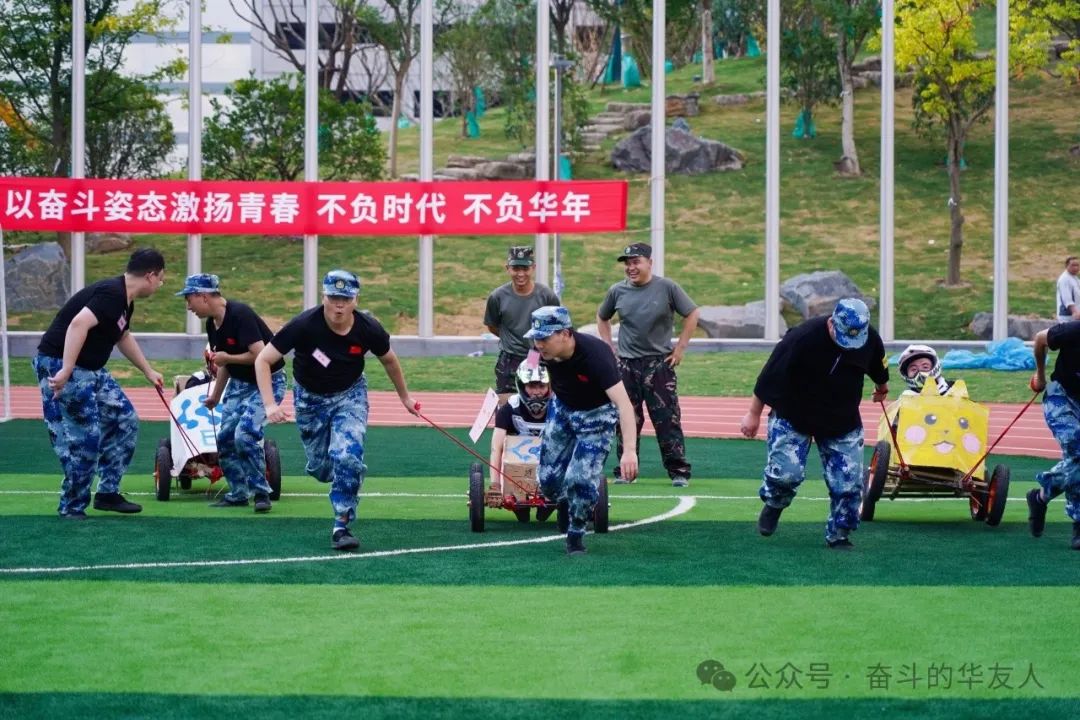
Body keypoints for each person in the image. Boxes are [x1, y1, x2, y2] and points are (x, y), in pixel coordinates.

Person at [255, 269, 419, 551]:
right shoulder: (304, 325)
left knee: (347, 456)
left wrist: (405, 398)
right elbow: (263, 360)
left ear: (356, 299)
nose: (339, 305)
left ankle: (341, 525)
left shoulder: (368, 328)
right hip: (310, 399)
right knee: (321, 468)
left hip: (350, 395)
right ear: (324, 297)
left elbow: (390, 360)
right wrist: (270, 404)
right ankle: (335, 470)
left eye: (345, 298)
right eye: (333, 298)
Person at [739, 298, 889, 549]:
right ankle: (775, 502)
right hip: (793, 414)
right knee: (786, 474)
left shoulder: (869, 339)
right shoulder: (802, 338)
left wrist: (882, 388)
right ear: (832, 323)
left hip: (841, 419)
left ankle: (840, 533)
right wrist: (753, 414)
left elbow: (878, 367)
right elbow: (769, 377)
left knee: (849, 485)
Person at [32, 248, 167, 519]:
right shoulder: (112, 294)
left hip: (90, 369)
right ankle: (72, 506)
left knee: (124, 418)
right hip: (63, 364)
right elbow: (78, 325)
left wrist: (148, 371)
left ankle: (107, 493)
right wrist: (67, 369)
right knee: (85, 438)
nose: (161, 284)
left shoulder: (124, 300)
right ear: (150, 276)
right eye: (161, 278)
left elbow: (122, 336)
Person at [526, 305, 639, 555]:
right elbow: (528, 367)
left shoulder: (596, 357)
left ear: (565, 334)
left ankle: (575, 533)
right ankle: (562, 500)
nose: (539, 344)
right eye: (536, 338)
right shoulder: (538, 349)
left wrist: (629, 451)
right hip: (562, 409)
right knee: (548, 481)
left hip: (596, 417)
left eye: (544, 338)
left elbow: (624, 405)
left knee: (579, 479)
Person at [177, 273, 287, 513]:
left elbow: (260, 355)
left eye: (189, 299)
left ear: (203, 296)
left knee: (244, 435)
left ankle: (261, 493)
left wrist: (227, 357)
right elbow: (223, 363)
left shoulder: (240, 315)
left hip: (267, 382)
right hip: (239, 382)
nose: (188, 307)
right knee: (225, 437)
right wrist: (216, 395)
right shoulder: (212, 324)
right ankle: (238, 493)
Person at [597, 242, 699, 487]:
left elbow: (692, 313)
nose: (631, 268)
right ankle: (626, 471)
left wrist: (680, 348)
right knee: (626, 419)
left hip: (659, 365)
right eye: (627, 264)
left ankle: (678, 472)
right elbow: (602, 317)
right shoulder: (617, 291)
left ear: (649, 263)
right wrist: (608, 348)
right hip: (626, 366)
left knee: (667, 419)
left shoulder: (667, 288)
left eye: (636, 262)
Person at [483, 245, 560, 405]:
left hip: (537, 355)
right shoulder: (497, 297)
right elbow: (492, 326)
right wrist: (511, 339)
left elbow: (556, 328)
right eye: (516, 268)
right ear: (508, 268)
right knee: (506, 405)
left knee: (541, 403)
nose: (520, 274)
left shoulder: (546, 296)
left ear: (533, 268)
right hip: (510, 358)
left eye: (525, 268)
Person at [1027, 324, 1080, 550]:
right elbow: (1040, 339)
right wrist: (1040, 375)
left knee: (1077, 461)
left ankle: (1040, 497)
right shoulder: (1073, 331)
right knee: (1078, 450)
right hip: (1061, 397)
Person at [488, 359, 552, 485]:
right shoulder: (509, 409)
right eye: (531, 386)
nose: (537, 392)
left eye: (542, 386)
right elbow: (496, 449)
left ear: (549, 386)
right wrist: (495, 484)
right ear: (522, 386)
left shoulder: (558, 408)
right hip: (516, 474)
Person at [1055, 256, 1080, 323]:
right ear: (1066, 266)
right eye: (1073, 265)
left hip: (1075, 316)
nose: (1076, 268)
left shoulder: (1075, 278)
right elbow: (1067, 299)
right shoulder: (1064, 279)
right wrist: (1075, 312)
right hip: (1067, 317)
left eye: (1077, 265)